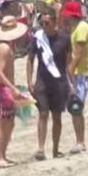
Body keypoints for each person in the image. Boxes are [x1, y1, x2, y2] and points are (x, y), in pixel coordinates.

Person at [27, 11, 71, 161]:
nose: (44, 26)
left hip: (59, 82)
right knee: (43, 113)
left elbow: (69, 62)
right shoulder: (38, 39)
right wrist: (29, 80)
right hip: (42, 82)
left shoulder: (64, 39)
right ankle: (40, 149)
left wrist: (72, 83)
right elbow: (30, 59)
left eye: (47, 23)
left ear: (54, 22)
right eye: (42, 23)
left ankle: (55, 149)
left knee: (57, 116)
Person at [0, 16, 29, 168]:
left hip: (4, 88)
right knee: (2, 123)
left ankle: (2, 155)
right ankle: (0, 156)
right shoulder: (5, 49)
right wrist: (12, 88)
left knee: (9, 122)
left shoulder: (1, 47)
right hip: (3, 88)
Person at [63, 1, 88, 153]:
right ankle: (79, 140)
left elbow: (78, 54)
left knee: (76, 107)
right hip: (76, 72)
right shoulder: (75, 28)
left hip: (79, 73)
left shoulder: (81, 28)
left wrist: (69, 71)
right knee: (74, 108)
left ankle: (81, 141)